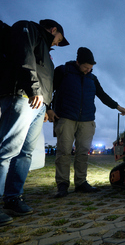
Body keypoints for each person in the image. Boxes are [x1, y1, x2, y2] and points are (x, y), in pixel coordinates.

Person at [0, 19, 69, 226]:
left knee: (25, 153)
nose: (57, 44)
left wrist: (47, 106)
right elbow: (24, 56)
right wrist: (33, 89)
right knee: (7, 150)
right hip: (22, 96)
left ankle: (13, 198)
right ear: (54, 30)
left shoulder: (47, 52)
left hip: (39, 104)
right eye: (59, 40)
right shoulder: (28, 28)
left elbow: (45, 76)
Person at [47, 47, 125, 198]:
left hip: (87, 120)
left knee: (83, 152)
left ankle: (81, 182)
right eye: (85, 67)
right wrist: (48, 109)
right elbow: (49, 89)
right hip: (65, 118)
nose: (88, 70)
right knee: (63, 152)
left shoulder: (92, 78)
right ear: (78, 62)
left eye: (91, 67)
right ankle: (62, 184)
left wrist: (117, 106)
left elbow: (102, 95)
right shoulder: (63, 71)